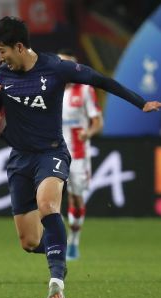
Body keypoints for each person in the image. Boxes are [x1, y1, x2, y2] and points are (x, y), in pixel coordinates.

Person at [0, 16, 161, 298]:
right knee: (29, 242)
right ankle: (59, 251)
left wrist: (141, 102)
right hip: (19, 158)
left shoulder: (55, 67)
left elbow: (100, 79)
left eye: (2, 50)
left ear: (19, 46)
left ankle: (56, 282)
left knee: (48, 205)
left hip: (51, 153)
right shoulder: (2, 75)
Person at [58, 50, 103, 260]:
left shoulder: (84, 90)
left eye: (64, 64)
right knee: (51, 198)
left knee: (76, 199)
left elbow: (98, 121)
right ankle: (56, 244)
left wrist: (89, 133)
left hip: (78, 153)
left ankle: (74, 240)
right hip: (54, 151)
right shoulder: (51, 89)